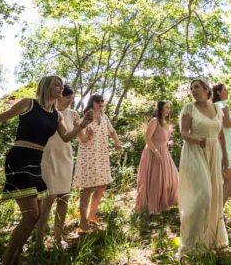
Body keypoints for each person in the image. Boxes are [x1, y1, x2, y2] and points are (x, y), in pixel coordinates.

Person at [0, 75, 93, 265]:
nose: (61, 88)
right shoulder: (28, 104)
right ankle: (6, 263)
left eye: (62, 85)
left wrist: (84, 124)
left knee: (33, 216)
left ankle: (15, 258)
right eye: (57, 84)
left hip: (36, 163)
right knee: (31, 215)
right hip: (19, 158)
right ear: (46, 86)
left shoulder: (57, 115)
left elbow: (66, 138)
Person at [177, 79, 229, 256]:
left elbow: (220, 133)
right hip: (195, 153)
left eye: (197, 87)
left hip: (214, 154)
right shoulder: (189, 108)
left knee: (214, 196)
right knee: (203, 196)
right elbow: (183, 133)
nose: (193, 90)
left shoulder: (217, 109)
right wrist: (197, 140)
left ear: (207, 89)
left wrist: (226, 157)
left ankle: (210, 240)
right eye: (191, 88)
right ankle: (190, 244)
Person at [35, 84, 79, 248]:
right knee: (48, 198)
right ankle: (38, 239)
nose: (70, 101)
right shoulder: (47, 112)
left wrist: (84, 129)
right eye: (68, 97)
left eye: (72, 98)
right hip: (48, 157)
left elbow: (76, 136)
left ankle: (58, 237)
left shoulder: (73, 114)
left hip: (66, 157)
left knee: (64, 198)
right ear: (59, 96)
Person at [72, 94, 123, 232]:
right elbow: (81, 138)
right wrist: (87, 136)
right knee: (88, 188)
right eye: (97, 101)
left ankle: (92, 215)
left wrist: (117, 143)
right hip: (88, 156)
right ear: (92, 102)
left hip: (102, 155)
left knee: (102, 185)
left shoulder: (105, 117)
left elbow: (112, 132)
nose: (100, 103)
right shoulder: (86, 117)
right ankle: (82, 222)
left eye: (102, 101)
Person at [135, 101, 179, 213]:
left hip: (164, 151)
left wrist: (168, 143)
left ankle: (165, 200)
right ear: (160, 108)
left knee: (172, 175)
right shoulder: (154, 121)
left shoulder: (164, 122)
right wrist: (155, 151)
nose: (168, 110)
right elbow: (147, 138)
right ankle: (153, 203)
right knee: (156, 177)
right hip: (153, 152)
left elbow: (162, 139)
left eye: (169, 108)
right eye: (166, 107)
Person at [212, 83, 231, 203]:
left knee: (222, 180)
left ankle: (215, 212)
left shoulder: (213, 105)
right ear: (218, 92)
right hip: (222, 147)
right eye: (225, 89)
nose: (227, 91)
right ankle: (217, 213)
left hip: (218, 146)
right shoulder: (222, 105)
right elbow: (227, 123)